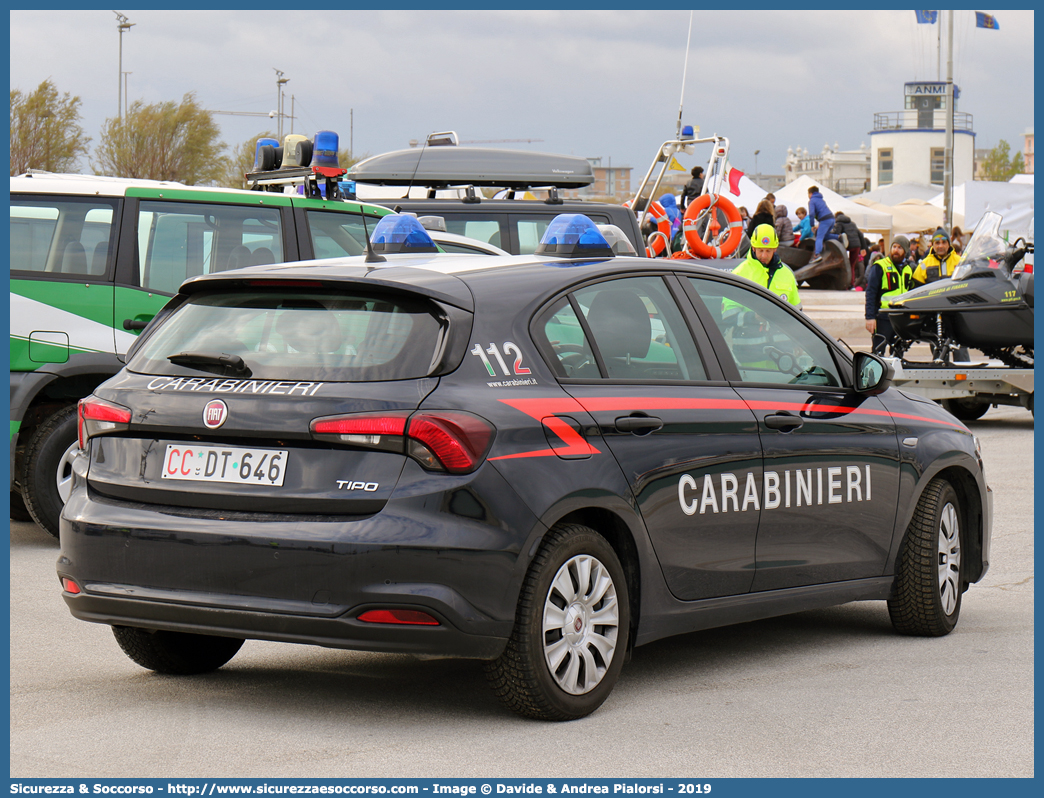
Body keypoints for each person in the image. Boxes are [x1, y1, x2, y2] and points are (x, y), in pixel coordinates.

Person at [733, 223, 801, 308]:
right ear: (753, 248)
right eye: (761, 250)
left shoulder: (787, 274)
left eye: (768, 251)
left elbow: (797, 310)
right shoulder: (739, 274)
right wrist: (751, 317)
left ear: (775, 249)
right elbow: (729, 313)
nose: (764, 256)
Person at [864, 236, 911, 355]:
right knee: (878, 352)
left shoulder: (908, 269)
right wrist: (870, 317)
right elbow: (871, 292)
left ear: (905, 251)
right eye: (894, 247)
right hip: (883, 317)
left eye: (900, 247)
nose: (896, 250)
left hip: (901, 318)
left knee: (898, 354)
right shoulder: (880, 266)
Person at [831, 212, 864, 287]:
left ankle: (845, 283)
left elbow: (837, 233)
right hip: (857, 245)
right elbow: (860, 235)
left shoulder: (839, 223)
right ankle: (852, 283)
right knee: (851, 264)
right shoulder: (852, 223)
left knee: (844, 264)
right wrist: (863, 247)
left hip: (847, 245)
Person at [806, 185, 836, 264]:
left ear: (811, 193)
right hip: (832, 219)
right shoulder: (821, 200)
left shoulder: (812, 201)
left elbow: (812, 214)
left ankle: (817, 255)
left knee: (819, 237)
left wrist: (812, 225)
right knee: (824, 236)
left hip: (825, 220)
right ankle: (839, 237)